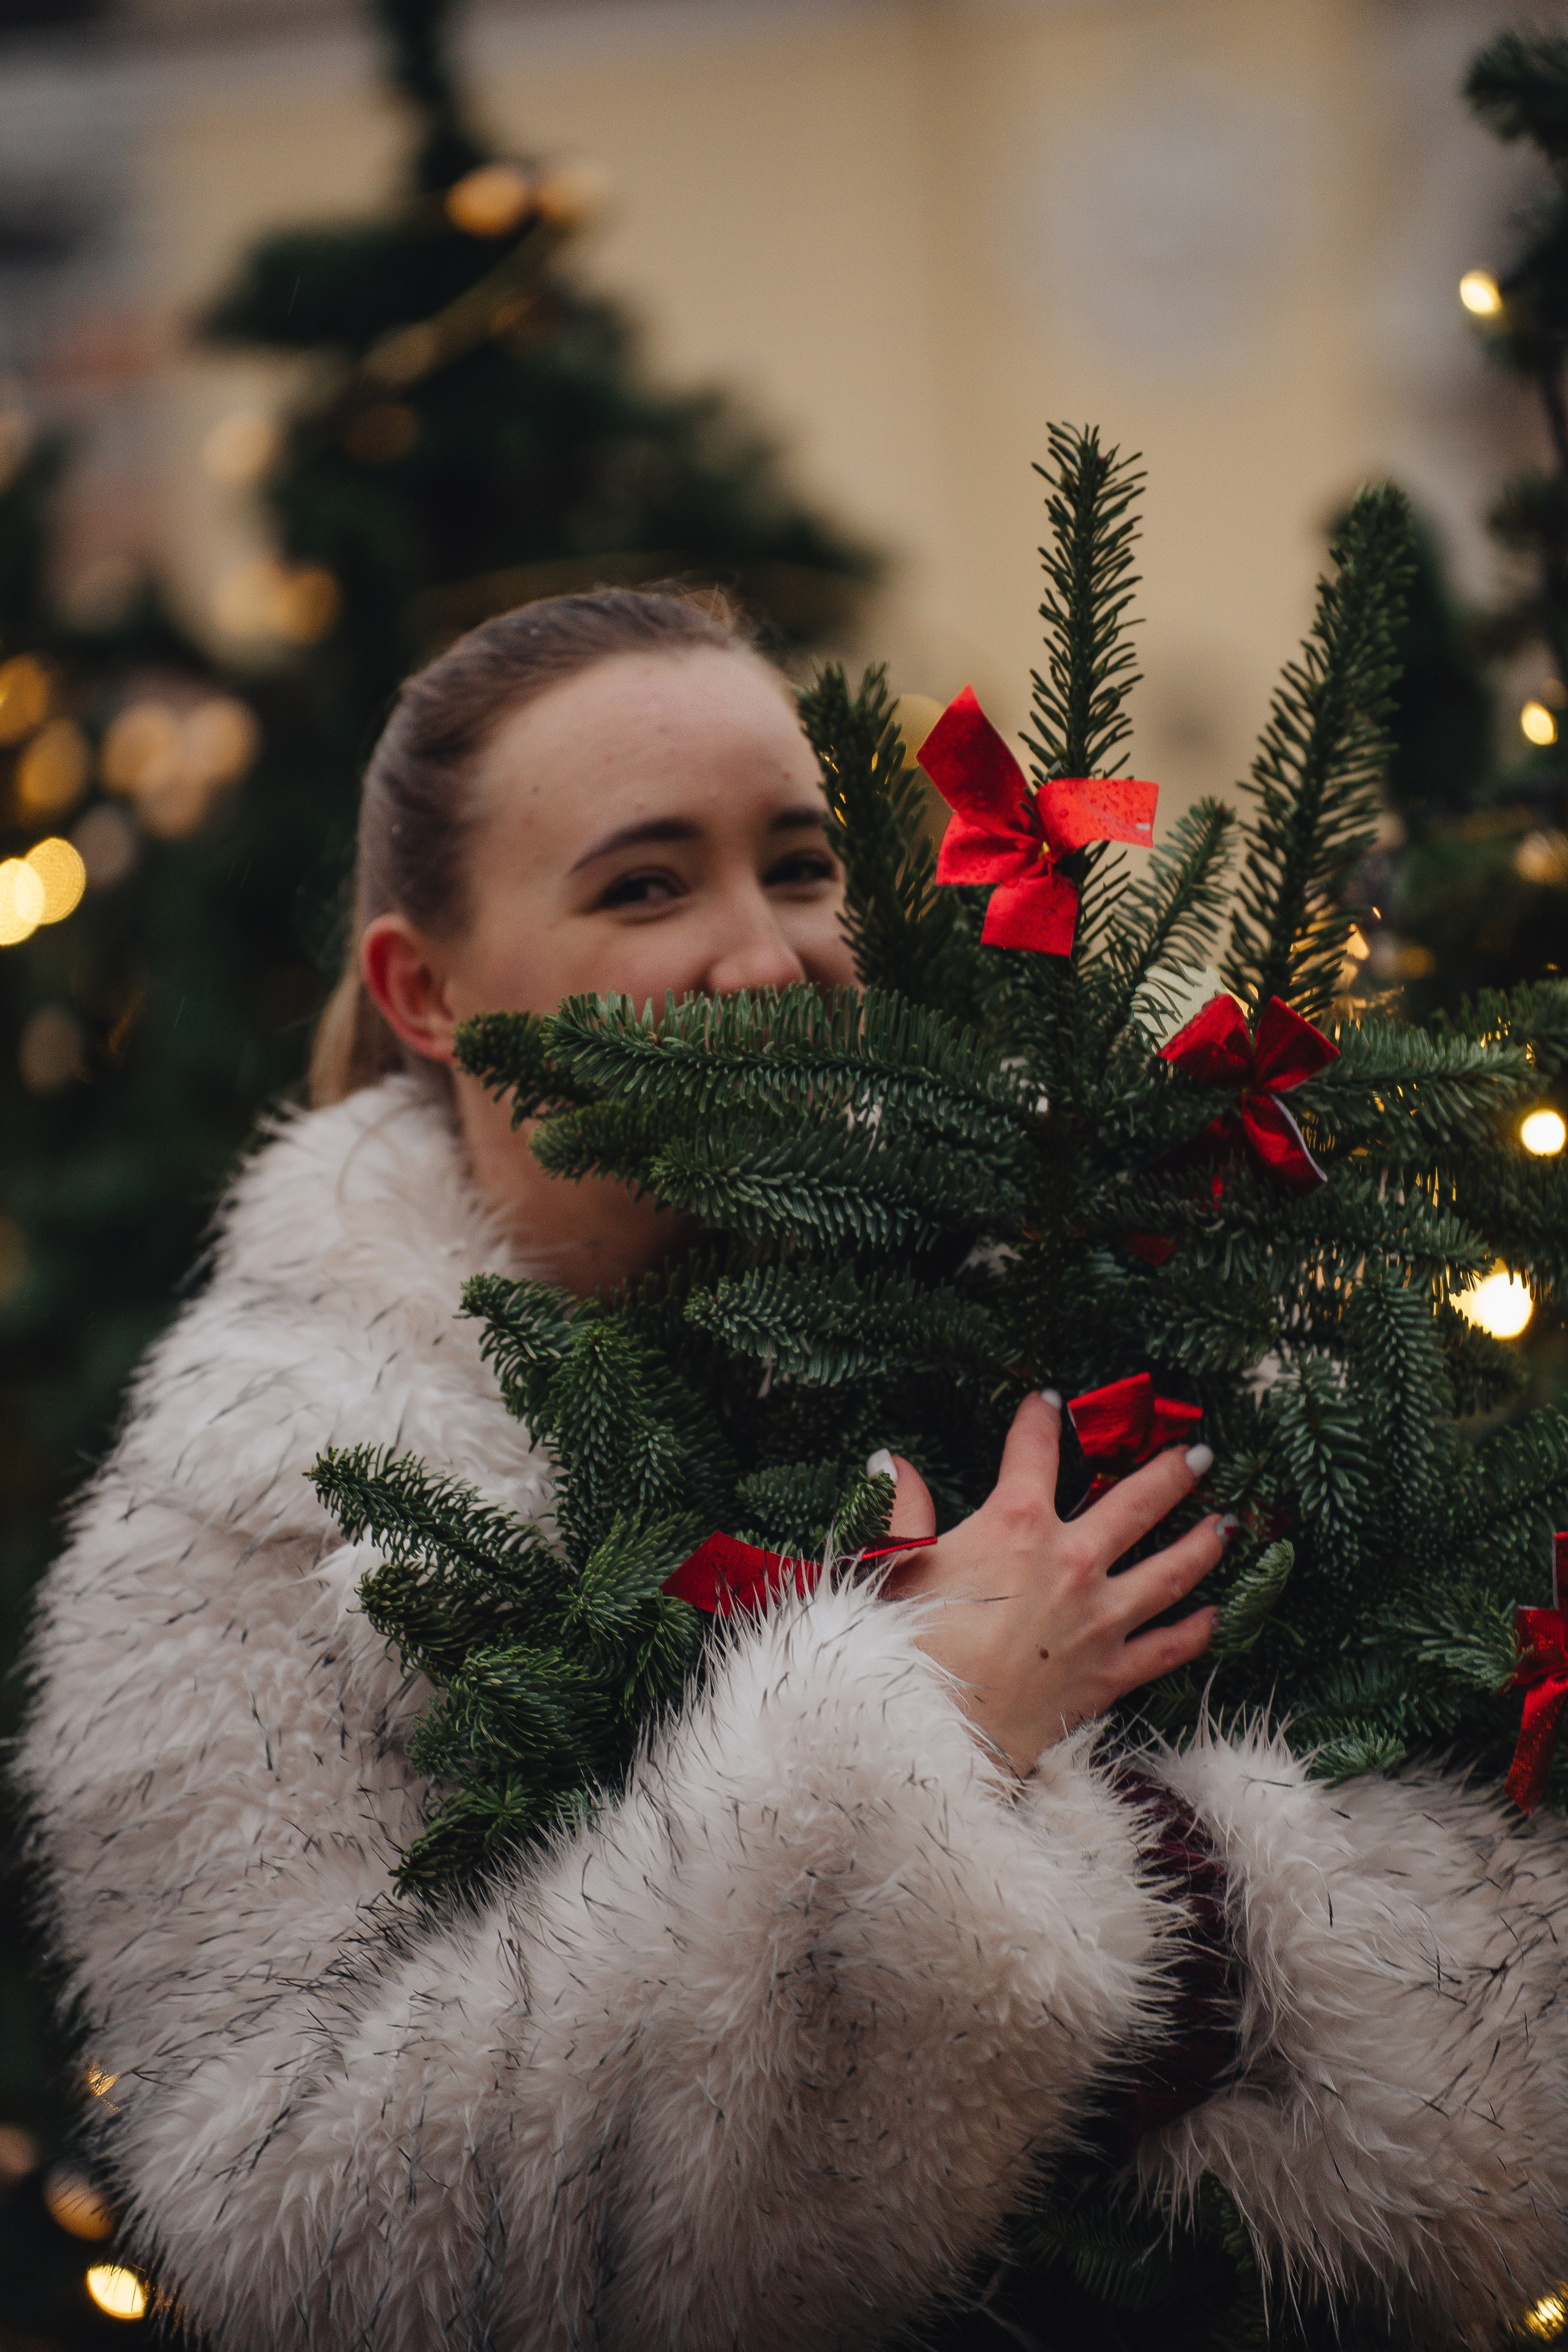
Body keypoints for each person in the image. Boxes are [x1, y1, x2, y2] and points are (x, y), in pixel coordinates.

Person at [17, 588, 1568, 2352]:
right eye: (646, 884)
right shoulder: (243, 1514)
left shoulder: (1122, 1299)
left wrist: (1192, 1890)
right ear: (423, 991)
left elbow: (1520, 2024)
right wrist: (896, 1750)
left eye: (805, 863)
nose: (766, 956)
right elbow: (303, 2238)